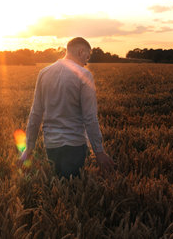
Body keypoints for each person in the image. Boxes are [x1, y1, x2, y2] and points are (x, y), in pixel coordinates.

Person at [18, 37, 115, 178]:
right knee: (71, 191)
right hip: (75, 145)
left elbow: (35, 113)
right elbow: (90, 118)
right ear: (81, 51)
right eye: (86, 58)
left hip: (51, 145)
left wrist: (29, 148)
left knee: (57, 190)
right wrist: (99, 152)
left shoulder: (44, 73)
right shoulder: (84, 75)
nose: (86, 63)